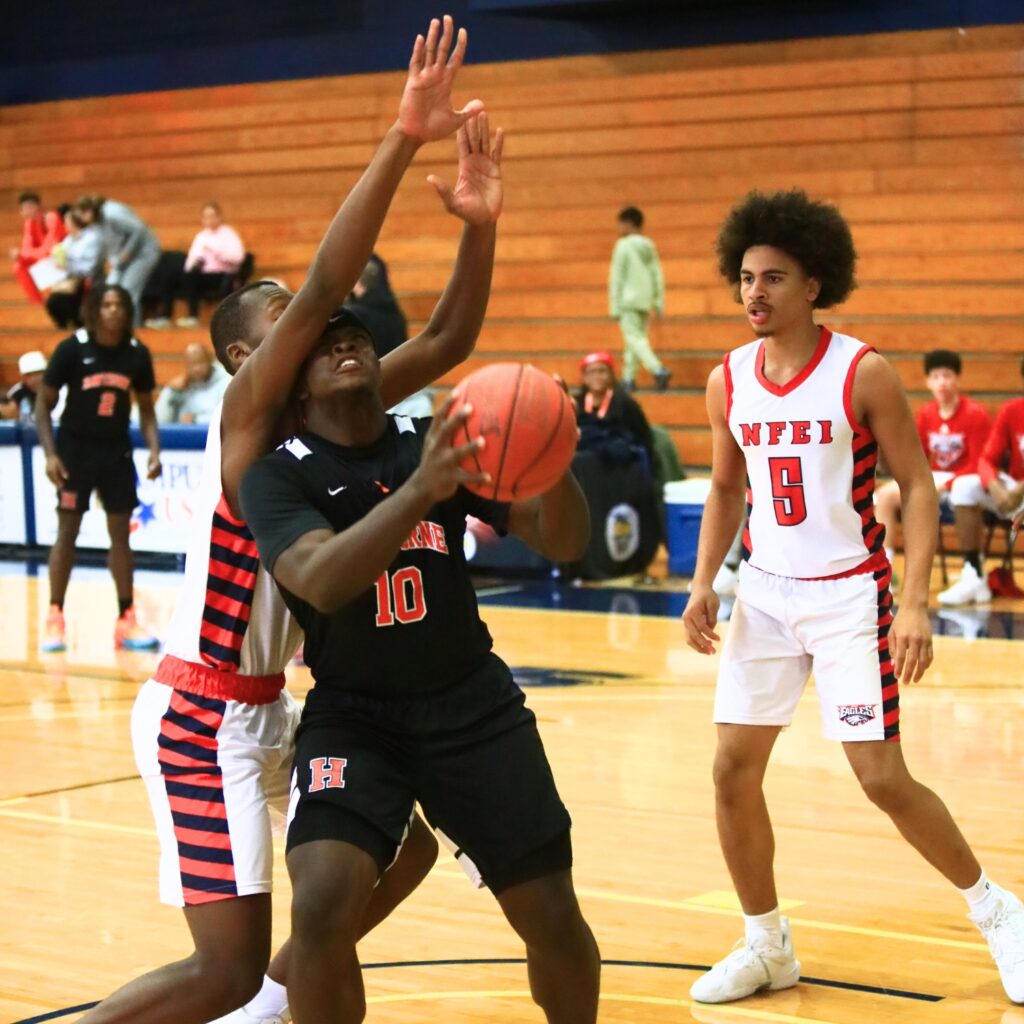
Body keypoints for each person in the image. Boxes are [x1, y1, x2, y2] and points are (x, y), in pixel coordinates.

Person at [77, 18, 497, 1024]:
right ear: (241, 357)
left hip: (268, 708)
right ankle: (245, 1001)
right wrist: (402, 137)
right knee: (217, 966)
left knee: (402, 848)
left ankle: (272, 1009)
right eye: (275, 312)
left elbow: (448, 336)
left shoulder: (323, 414)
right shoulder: (246, 416)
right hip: (200, 714)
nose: (306, 317)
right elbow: (321, 287)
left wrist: (480, 217)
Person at [682, 189, 1024, 1006]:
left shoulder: (860, 371)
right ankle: (766, 944)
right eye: (744, 278)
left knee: (880, 778)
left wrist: (914, 603)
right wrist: (704, 581)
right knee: (732, 769)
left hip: (850, 597)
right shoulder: (727, 379)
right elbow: (726, 489)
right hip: (764, 593)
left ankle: (999, 913)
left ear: (814, 283)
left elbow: (918, 483)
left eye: (773, 277)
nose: (754, 292)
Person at [239, 330, 599, 1024]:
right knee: (318, 904)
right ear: (300, 383)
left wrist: (554, 455)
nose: (346, 347)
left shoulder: (434, 439)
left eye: (358, 339)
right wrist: (420, 492)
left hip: (471, 706)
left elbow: (564, 539)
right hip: (355, 715)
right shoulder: (276, 474)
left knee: (551, 910)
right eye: (326, 345)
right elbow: (319, 580)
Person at [35, 285, 162, 652]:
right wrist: (50, 454)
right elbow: (43, 406)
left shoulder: (137, 354)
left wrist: (154, 449)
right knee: (67, 532)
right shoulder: (73, 348)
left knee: (121, 535)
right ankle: (55, 615)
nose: (113, 310)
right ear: (94, 310)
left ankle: (127, 618)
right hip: (75, 451)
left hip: (116, 452)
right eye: (106, 304)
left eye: (119, 304)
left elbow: (147, 409)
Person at [873, 349, 991, 600]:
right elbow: (919, 458)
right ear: (927, 382)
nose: (942, 383)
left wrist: (947, 483)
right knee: (884, 495)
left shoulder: (975, 414)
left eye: (947, 376)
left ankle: (972, 571)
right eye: (936, 377)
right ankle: (887, 569)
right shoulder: (926, 414)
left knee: (964, 489)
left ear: (958, 379)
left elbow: (981, 462)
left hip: (963, 479)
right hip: (935, 477)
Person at [941, 355, 1024, 599]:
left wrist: (1019, 489)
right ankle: (974, 573)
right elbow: (985, 460)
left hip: (1019, 492)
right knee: (965, 486)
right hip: (1012, 495)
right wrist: (996, 488)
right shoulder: (1012, 411)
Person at [148, 203, 246, 329]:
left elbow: (238, 258)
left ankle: (193, 316)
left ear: (219, 217)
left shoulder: (228, 235)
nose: (209, 219)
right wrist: (192, 265)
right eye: (206, 216)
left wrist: (216, 251)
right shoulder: (201, 236)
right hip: (200, 274)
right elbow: (191, 259)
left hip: (221, 276)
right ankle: (167, 316)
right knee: (171, 275)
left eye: (212, 215)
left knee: (191, 278)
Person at [73, 195, 161, 326]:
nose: (83, 221)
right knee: (109, 291)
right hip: (121, 258)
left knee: (128, 293)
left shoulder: (112, 213)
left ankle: (133, 329)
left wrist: (128, 251)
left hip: (143, 253)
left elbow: (139, 230)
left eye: (83, 216)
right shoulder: (96, 223)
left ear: (89, 211)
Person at [608, 205, 670, 391]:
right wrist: (658, 301)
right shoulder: (648, 245)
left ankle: (657, 369)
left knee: (634, 338)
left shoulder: (623, 245)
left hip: (627, 300)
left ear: (628, 223)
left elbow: (617, 276)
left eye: (620, 224)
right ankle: (628, 378)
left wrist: (614, 305)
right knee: (635, 339)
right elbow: (656, 274)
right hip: (645, 299)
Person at [574, 349, 654, 460]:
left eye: (601, 371)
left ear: (611, 375)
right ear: (584, 377)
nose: (596, 376)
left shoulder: (625, 403)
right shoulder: (577, 403)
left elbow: (643, 436)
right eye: (591, 372)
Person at [45, 207, 104, 329]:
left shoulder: (91, 239)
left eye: (66, 223)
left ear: (74, 223)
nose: (64, 226)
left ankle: (79, 323)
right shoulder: (68, 240)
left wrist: (68, 267)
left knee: (65, 299)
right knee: (53, 300)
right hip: (70, 279)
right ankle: (64, 325)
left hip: (88, 280)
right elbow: (62, 259)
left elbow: (91, 266)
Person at [10, 190, 67, 304]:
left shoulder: (51, 218)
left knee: (37, 258)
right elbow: (26, 248)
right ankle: (37, 303)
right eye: (24, 209)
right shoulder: (28, 224)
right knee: (18, 266)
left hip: (63, 259)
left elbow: (49, 249)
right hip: (45, 260)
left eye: (30, 207)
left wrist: (24, 255)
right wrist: (21, 256)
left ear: (38, 207)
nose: (27, 211)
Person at [154, 343, 231, 425]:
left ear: (209, 360)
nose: (197, 369)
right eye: (192, 364)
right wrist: (172, 392)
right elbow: (160, 420)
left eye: (200, 362)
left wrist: (196, 419)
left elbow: (228, 416)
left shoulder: (226, 381)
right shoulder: (182, 385)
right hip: (186, 434)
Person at [0, 350, 47, 421]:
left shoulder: (59, 389)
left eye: (34, 375)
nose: (29, 381)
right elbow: (10, 412)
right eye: (26, 376)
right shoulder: (18, 391)